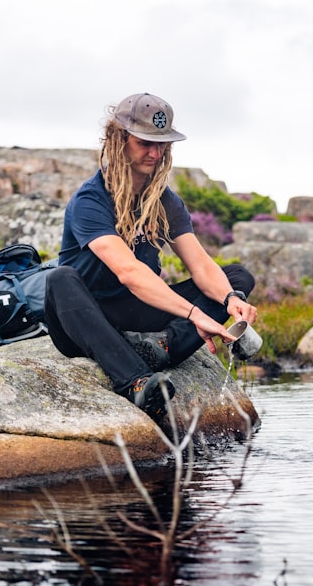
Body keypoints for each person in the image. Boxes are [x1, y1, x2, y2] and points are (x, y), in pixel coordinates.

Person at [44, 92, 257, 419]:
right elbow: (128, 272)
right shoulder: (91, 199)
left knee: (237, 277)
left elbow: (200, 265)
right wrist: (194, 315)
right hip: (86, 318)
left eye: (163, 145)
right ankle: (135, 381)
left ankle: (165, 346)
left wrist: (230, 299)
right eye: (145, 143)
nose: (156, 153)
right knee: (60, 278)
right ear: (120, 140)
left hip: (136, 312)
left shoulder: (165, 201)